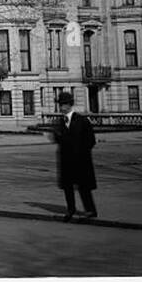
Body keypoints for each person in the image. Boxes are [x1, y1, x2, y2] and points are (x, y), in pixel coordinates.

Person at [53, 91, 97, 221]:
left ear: (70, 105)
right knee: (68, 187)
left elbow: (91, 140)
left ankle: (90, 210)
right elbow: (59, 139)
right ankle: (70, 210)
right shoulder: (60, 122)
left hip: (80, 160)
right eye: (60, 105)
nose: (61, 108)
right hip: (66, 160)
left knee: (84, 187)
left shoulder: (82, 120)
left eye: (64, 105)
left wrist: (82, 152)